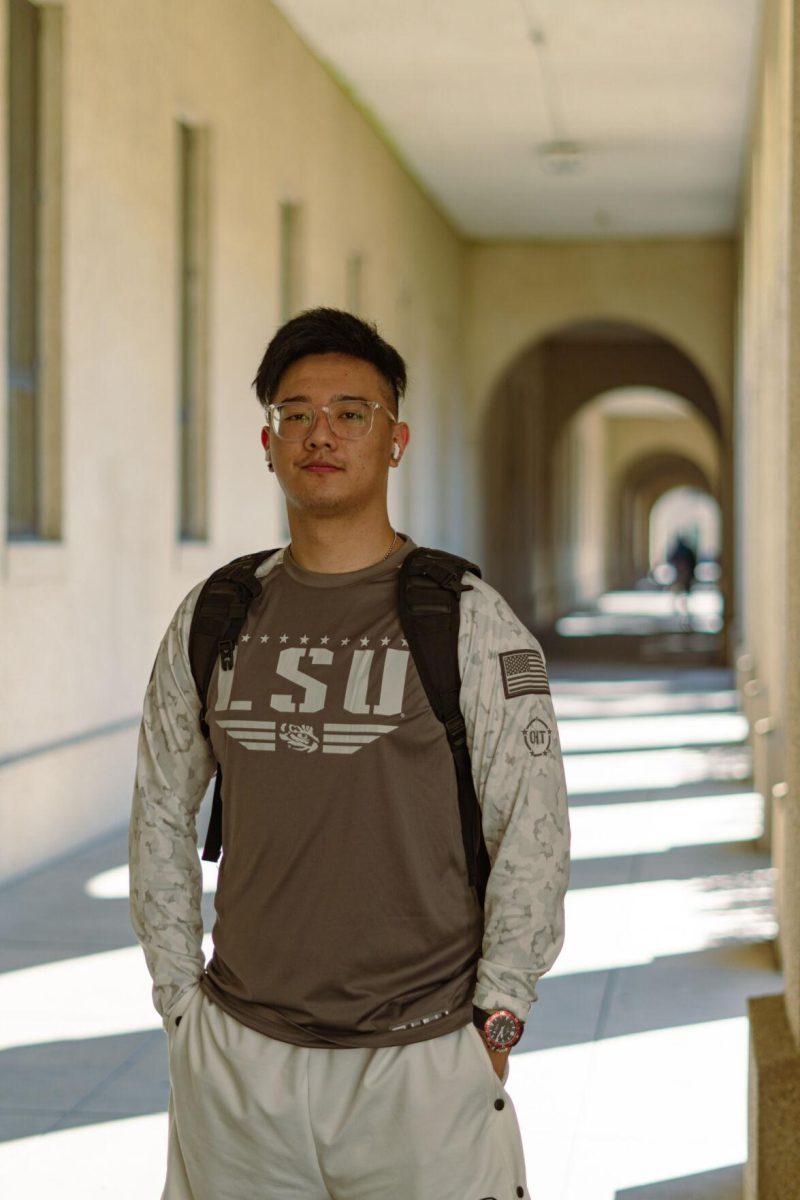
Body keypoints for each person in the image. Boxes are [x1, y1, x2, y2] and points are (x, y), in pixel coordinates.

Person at [128, 307, 571, 1199]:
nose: (319, 433)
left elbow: (534, 825)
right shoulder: (216, 614)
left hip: (422, 1066)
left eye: (350, 412)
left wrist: (499, 1014)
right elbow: (157, 811)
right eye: (295, 414)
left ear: (395, 438)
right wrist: (180, 1001)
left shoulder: (469, 620)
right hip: (241, 1064)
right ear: (267, 442)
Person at [667, 532, 698, 630]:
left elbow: (671, 559)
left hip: (680, 574)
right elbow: (693, 562)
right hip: (686, 575)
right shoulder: (687, 550)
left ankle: (678, 606)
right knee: (684, 592)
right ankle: (683, 607)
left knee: (678, 591)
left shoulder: (677, 550)